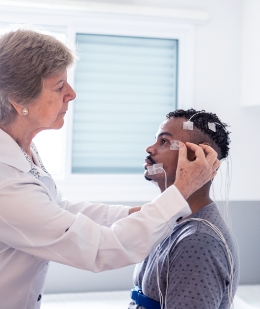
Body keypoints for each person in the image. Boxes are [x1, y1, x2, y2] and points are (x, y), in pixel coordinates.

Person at [0, 29, 219, 309]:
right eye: (59, 87)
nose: (72, 94)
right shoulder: (5, 183)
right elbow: (102, 249)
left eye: (165, 141)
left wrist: (134, 212)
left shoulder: (21, 150)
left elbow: (58, 209)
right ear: (20, 102)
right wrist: (178, 193)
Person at [129, 109, 239, 309]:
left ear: (200, 156)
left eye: (164, 141)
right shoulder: (170, 222)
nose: (149, 148)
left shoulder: (199, 240)